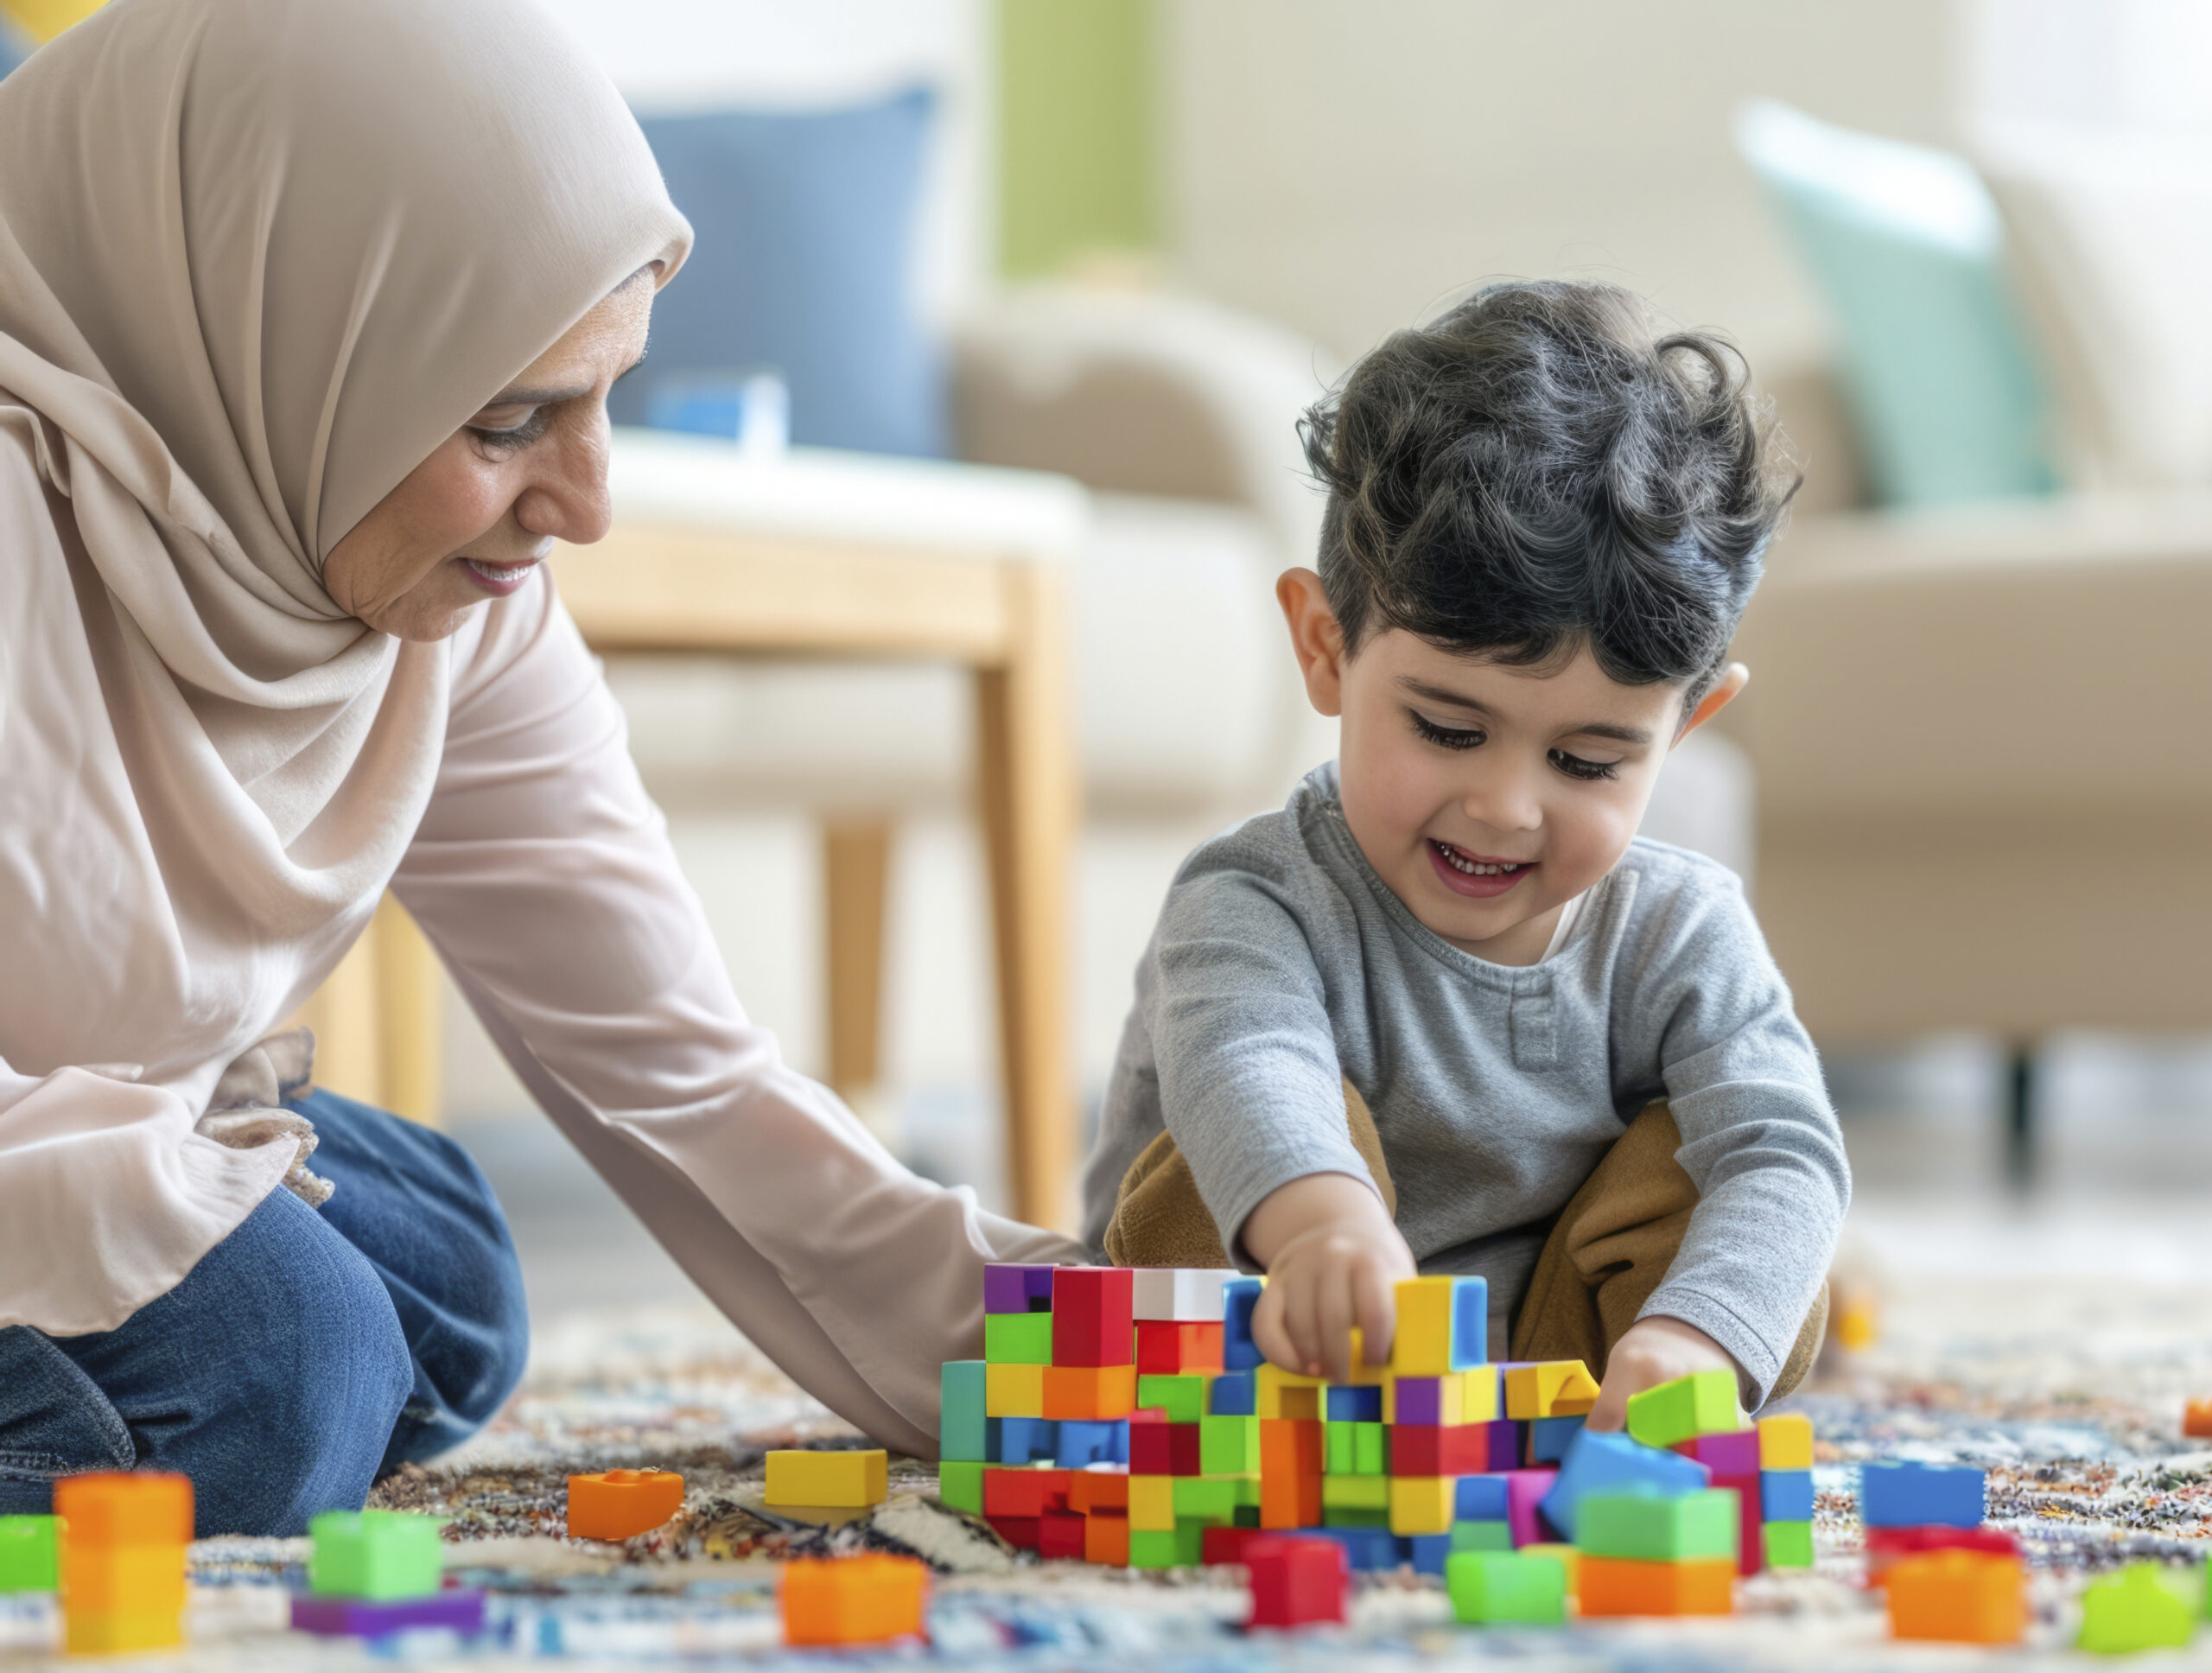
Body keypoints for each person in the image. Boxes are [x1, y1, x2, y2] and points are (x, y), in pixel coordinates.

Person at [0, 0, 1074, 1539]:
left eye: (608, 395)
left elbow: (683, 1080)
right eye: (513, 422)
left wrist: (1089, 1339)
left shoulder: (434, 596)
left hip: (83, 1103)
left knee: (447, 1270)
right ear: (269, 339)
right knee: (293, 1366)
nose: (587, 503)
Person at [1085, 283, 1850, 1427]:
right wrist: (1322, 1222)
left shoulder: (1681, 928)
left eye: (1588, 762)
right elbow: (1250, 1062)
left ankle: (1621, 1415)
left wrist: (1695, 1341)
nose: (1504, 809)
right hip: (1266, 1371)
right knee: (1227, 1158)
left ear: (1684, 726)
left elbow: (1784, 1148)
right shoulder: (1253, 897)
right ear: (1325, 645)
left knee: (1752, 1227)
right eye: (1448, 730)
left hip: (1559, 1383)